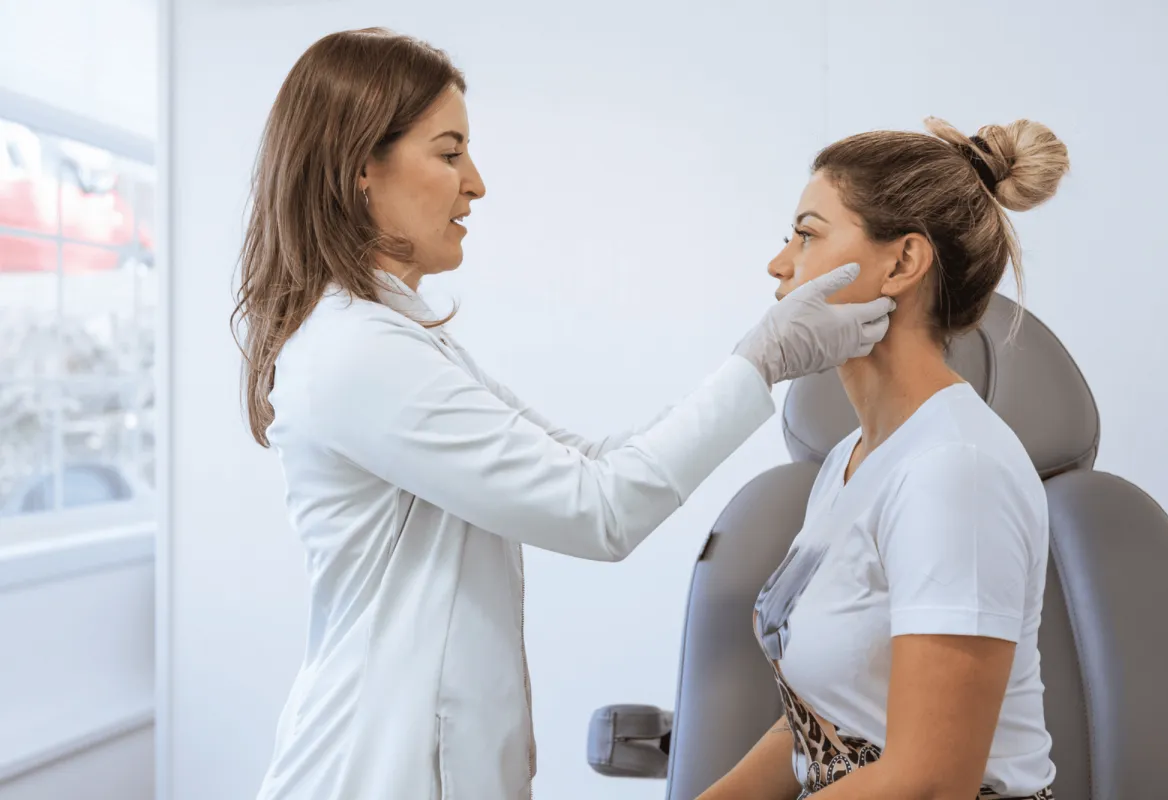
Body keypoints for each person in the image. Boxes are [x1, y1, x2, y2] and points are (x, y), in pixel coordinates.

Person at [232, 28, 894, 800]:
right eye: (449, 153)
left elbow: (588, 464)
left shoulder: (393, 335)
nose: (475, 183)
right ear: (359, 170)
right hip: (372, 770)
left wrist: (755, 361)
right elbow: (599, 510)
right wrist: (763, 359)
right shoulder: (359, 354)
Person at [698, 118, 1069, 800]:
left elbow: (929, 782)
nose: (779, 265)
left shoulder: (957, 470)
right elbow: (823, 725)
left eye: (806, 234)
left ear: (901, 263)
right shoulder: (853, 459)